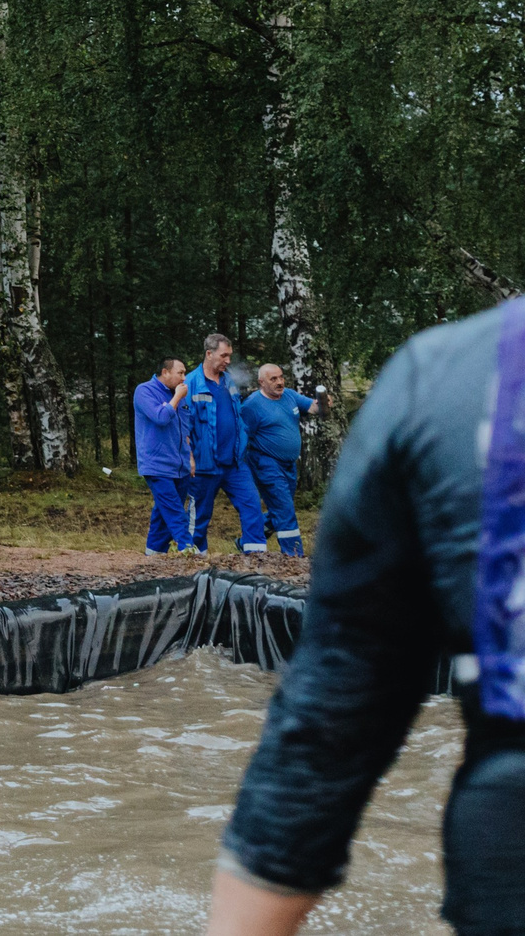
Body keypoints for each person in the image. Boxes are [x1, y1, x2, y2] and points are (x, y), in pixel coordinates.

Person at [205, 298, 525, 936]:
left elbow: (337, 709)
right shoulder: (241, 403)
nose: (274, 382)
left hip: (504, 836)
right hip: (259, 471)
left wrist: (317, 404)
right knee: (267, 520)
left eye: (276, 378)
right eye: (268, 377)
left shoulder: (442, 376)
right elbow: (339, 699)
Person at [186, 333, 270, 555]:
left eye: (230, 356)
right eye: (224, 355)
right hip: (205, 464)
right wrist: (189, 457)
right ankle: (193, 560)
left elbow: (237, 413)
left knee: (252, 505)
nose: (228, 361)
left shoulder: (228, 380)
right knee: (200, 515)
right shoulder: (191, 383)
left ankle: (257, 558)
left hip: (234, 461)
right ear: (209, 353)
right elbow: (183, 425)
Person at [237, 363, 328, 558]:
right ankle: (294, 556)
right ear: (261, 382)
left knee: (280, 507)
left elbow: (312, 407)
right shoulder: (252, 406)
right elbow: (242, 438)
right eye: (273, 379)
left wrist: (322, 403)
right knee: (285, 510)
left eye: (281, 377)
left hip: (288, 464)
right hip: (266, 463)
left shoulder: (289, 395)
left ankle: (245, 540)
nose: (280, 382)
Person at [133, 356, 196, 555]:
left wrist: (191, 457)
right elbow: (160, 417)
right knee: (175, 511)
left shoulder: (181, 394)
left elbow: (185, 430)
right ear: (165, 372)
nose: (184, 378)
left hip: (180, 466)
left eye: (185, 373)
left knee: (163, 512)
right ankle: (187, 549)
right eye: (180, 373)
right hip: (157, 465)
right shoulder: (144, 391)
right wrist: (176, 398)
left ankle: (154, 554)